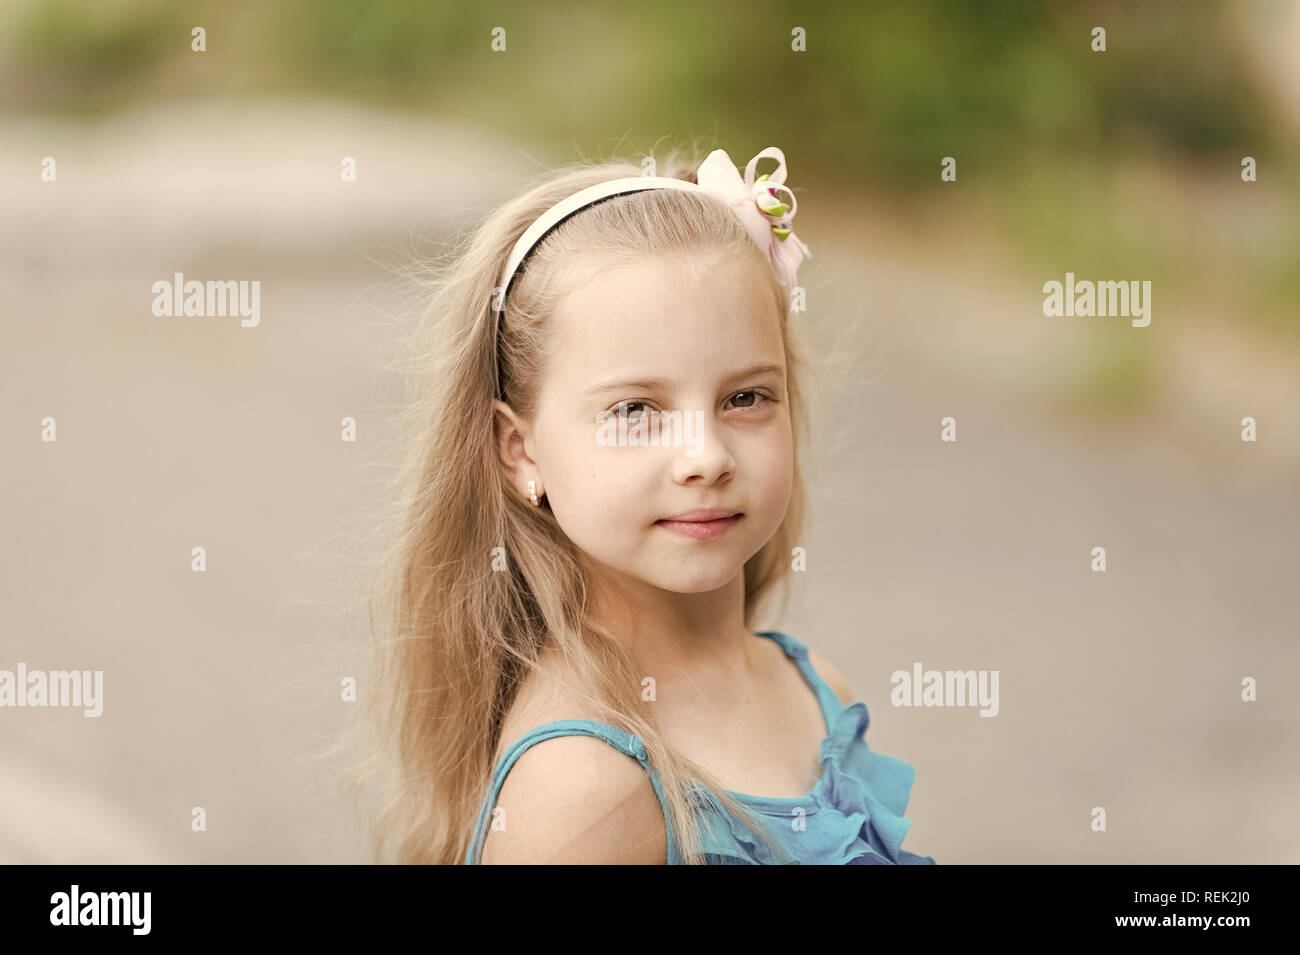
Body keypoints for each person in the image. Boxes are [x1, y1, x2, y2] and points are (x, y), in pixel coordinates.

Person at [364, 143, 935, 864]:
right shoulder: (583, 785)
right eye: (636, 410)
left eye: (746, 396)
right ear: (521, 451)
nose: (706, 456)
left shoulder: (818, 691)